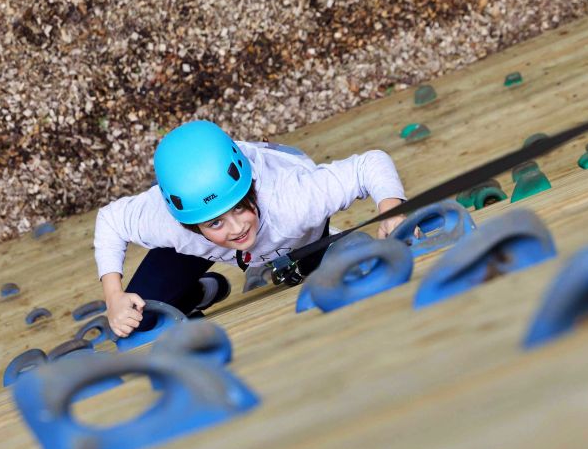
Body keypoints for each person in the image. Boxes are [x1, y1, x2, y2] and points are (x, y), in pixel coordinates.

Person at [93, 120, 408, 337]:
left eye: (240, 208)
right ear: (186, 223)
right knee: (140, 318)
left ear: (251, 192)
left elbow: (370, 164)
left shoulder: (294, 200)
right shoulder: (165, 220)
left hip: (296, 236)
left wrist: (391, 211)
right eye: (215, 221)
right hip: (208, 245)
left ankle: (309, 252)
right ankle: (203, 289)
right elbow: (110, 220)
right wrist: (113, 296)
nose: (236, 229)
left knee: (338, 270)